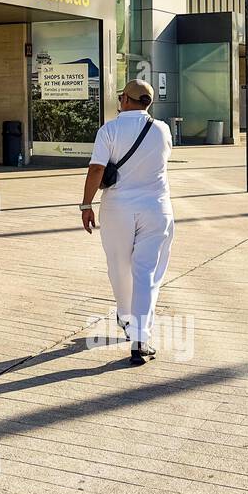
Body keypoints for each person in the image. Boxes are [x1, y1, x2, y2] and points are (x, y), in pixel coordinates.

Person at [79, 79, 174, 366]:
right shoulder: (163, 130)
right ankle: (140, 340)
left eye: (122, 97)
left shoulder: (109, 130)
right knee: (146, 273)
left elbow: (97, 168)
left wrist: (86, 204)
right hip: (156, 208)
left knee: (119, 265)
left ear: (126, 100)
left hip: (118, 208)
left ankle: (125, 317)